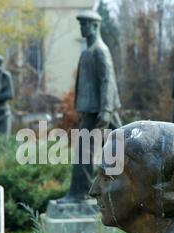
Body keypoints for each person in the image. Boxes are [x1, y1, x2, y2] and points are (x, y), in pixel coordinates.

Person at [58, 10, 122, 204]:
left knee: (118, 149)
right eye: (81, 25)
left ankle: (80, 193)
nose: (82, 28)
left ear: (95, 26)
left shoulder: (100, 51)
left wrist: (106, 110)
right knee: (92, 151)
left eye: (85, 24)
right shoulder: (87, 52)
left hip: (100, 112)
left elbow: (107, 81)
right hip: (90, 110)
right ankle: (79, 192)